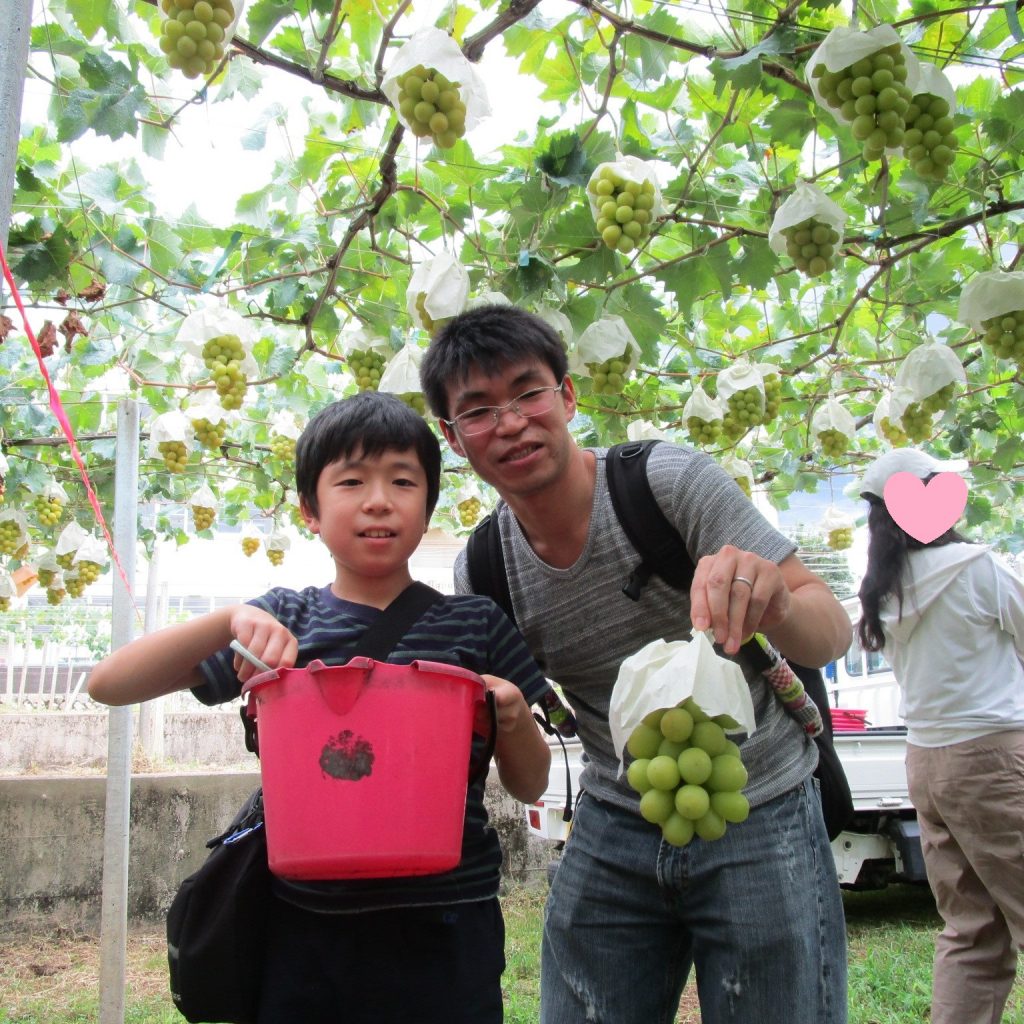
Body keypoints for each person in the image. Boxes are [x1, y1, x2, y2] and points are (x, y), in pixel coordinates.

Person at [419, 303, 853, 1024]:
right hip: (619, 811)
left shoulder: (668, 484)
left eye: (529, 392)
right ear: (454, 438)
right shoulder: (484, 568)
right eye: (480, 410)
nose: (512, 421)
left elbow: (831, 631)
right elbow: (524, 741)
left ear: (567, 396)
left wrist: (776, 603)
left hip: (762, 803)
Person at [87, 391, 552, 1024]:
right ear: (310, 508)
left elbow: (530, 782)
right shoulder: (282, 621)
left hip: (449, 924)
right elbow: (109, 685)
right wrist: (229, 620)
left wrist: (516, 714)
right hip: (306, 924)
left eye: (403, 481)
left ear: (427, 506)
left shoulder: (475, 624)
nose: (379, 499)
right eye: (352, 481)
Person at [857, 447, 1024, 1024]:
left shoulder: (884, 591)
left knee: (971, 932)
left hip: (927, 764)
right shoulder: (977, 567)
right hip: (993, 757)